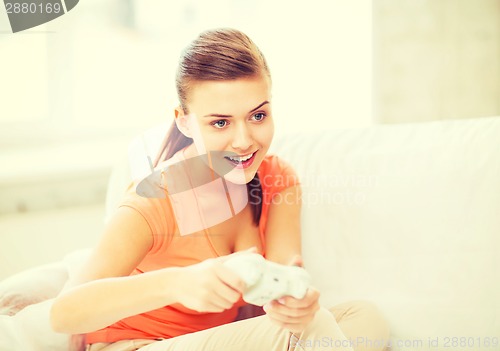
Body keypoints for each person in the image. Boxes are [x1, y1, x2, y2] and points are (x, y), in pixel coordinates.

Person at [50, 28, 389, 351]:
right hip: (135, 344)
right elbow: (63, 312)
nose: (244, 141)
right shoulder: (154, 199)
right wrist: (177, 283)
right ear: (184, 121)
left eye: (257, 116)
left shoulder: (277, 178)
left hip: (215, 339)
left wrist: (295, 301)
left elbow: (287, 276)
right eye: (220, 122)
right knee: (311, 332)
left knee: (364, 320)